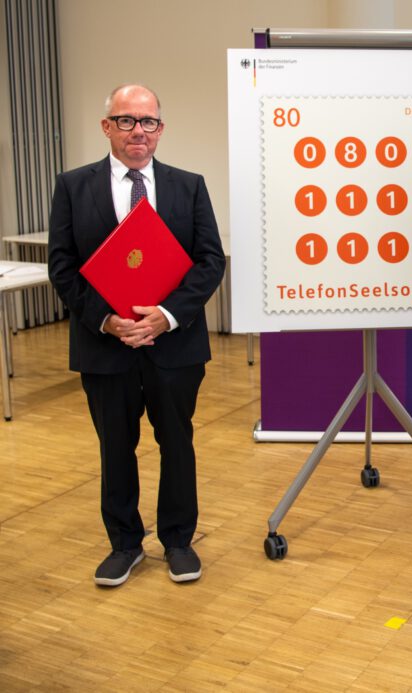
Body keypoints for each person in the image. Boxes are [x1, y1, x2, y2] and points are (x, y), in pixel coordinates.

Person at [48, 84, 225, 587]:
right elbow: (62, 267)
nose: (138, 132)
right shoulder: (73, 186)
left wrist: (165, 316)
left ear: (161, 129)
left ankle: (178, 541)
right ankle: (124, 544)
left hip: (174, 346)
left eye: (147, 122)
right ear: (107, 127)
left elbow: (210, 262)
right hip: (105, 345)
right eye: (126, 121)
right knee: (115, 447)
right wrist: (106, 319)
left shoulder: (188, 186)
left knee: (177, 442)